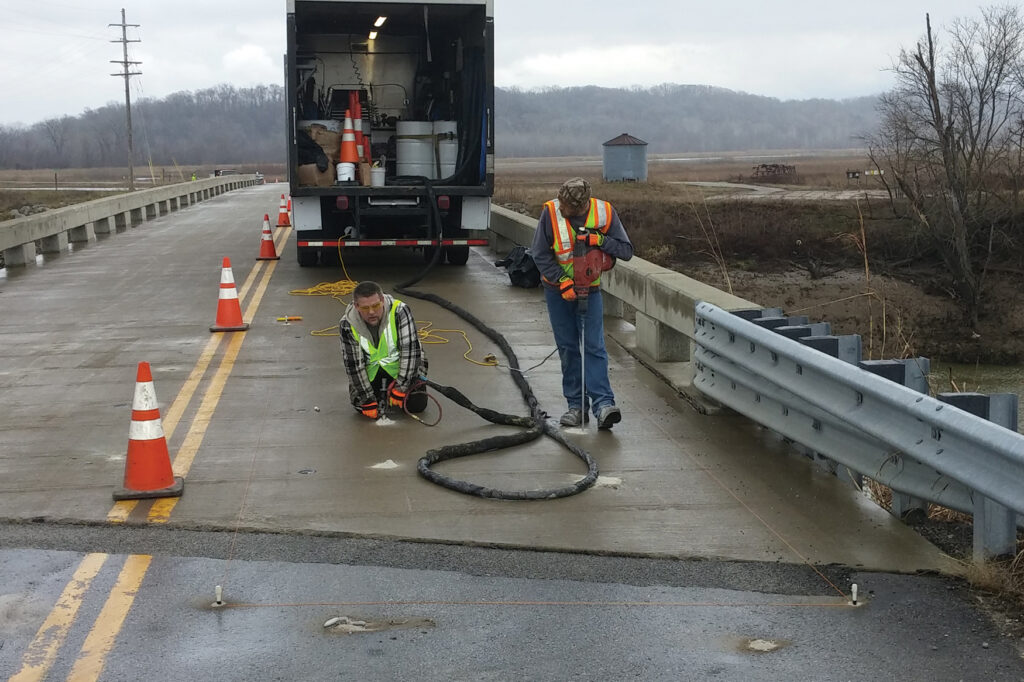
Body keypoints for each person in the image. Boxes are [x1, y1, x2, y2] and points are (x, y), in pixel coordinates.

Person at [530, 177, 634, 429]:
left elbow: (625, 251)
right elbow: (540, 253)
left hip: (591, 289)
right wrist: (561, 281)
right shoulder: (551, 212)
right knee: (568, 347)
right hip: (558, 292)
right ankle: (576, 406)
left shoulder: (604, 213)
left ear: (580, 207)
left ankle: (603, 405)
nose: (561, 208)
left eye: (567, 206)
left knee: (594, 346)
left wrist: (599, 241)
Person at [340, 281, 428, 419]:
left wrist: (401, 387)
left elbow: (410, 352)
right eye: (365, 308)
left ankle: (398, 388)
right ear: (356, 306)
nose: (371, 312)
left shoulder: (400, 311)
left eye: (376, 306)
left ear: (382, 300)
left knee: (417, 405)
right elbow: (353, 365)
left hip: (401, 368)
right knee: (361, 407)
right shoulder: (347, 324)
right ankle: (376, 393)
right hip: (372, 372)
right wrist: (367, 399)